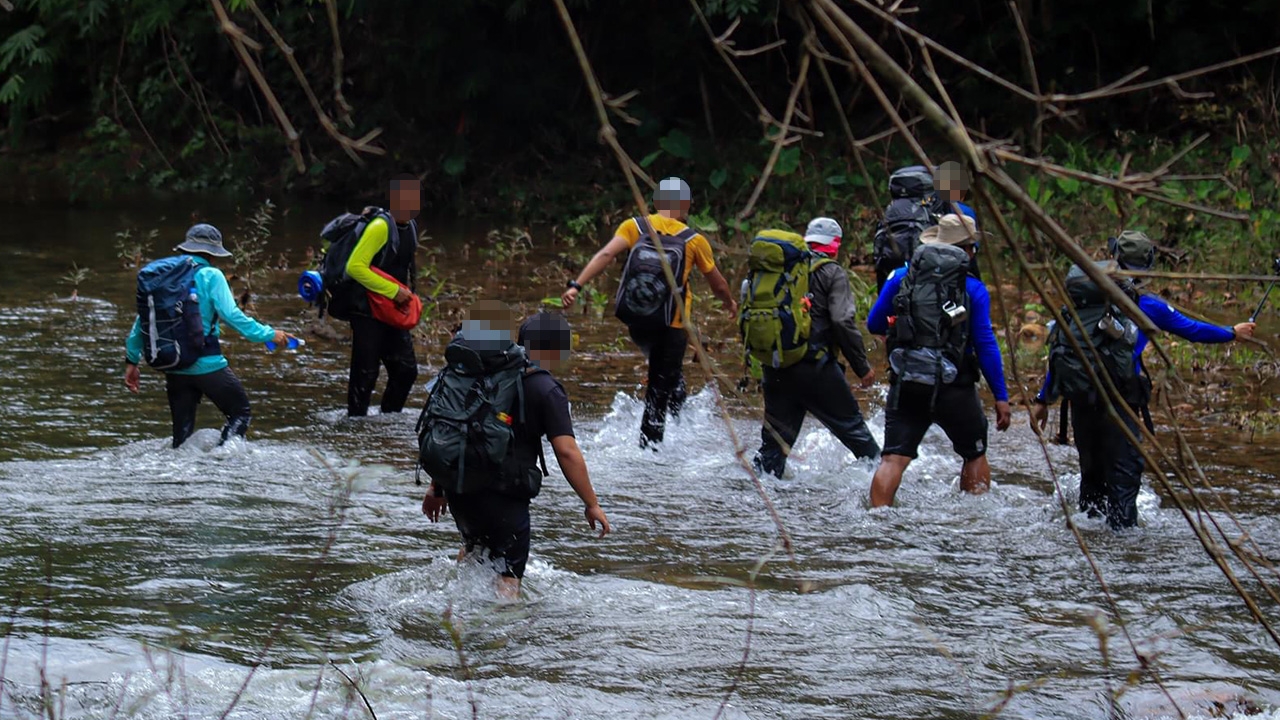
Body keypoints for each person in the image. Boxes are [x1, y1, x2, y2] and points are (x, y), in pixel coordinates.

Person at [1030, 230, 1256, 529]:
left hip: (1080, 401)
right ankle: (1124, 553)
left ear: (1114, 258)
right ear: (1147, 265)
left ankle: (1090, 537)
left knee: (1092, 478)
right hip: (1119, 402)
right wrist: (1232, 332)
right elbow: (1193, 330)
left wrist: (1043, 399)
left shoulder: (1083, 302)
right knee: (1124, 476)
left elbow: (1064, 349)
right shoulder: (1148, 306)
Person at [421, 309, 610, 598]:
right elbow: (567, 451)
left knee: (473, 554)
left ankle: (455, 623)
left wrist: (437, 488)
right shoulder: (547, 388)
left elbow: (455, 427)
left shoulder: (482, 376)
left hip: (461, 490)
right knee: (508, 577)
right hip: (505, 496)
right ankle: (500, 640)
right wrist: (591, 503)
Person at [560, 177, 738, 448]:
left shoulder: (634, 226)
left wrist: (576, 286)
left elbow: (606, 255)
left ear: (656, 203)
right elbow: (718, 283)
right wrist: (729, 303)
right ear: (686, 206)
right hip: (672, 325)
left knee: (668, 381)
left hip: (639, 320)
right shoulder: (694, 240)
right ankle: (651, 454)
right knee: (658, 391)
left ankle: (674, 423)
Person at [866, 214, 1012, 507]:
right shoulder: (973, 289)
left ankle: (877, 521)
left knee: (894, 458)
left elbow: (874, 323)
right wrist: (1001, 395)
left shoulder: (900, 277)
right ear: (968, 251)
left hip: (907, 380)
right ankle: (974, 519)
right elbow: (985, 344)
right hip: (954, 385)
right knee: (974, 453)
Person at [124, 224, 295, 448]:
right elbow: (231, 314)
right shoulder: (211, 275)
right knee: (240, 413)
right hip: (207, 365)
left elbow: (143, 320)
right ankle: (222, 464)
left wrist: (131, 361)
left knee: (181, 440)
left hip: (174, 366)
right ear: (212, 252)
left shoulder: (165, 278)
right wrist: (269, 334)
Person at [752, 217, 880, 478]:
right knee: (861, 440)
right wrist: (862, 367)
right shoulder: (832, 272)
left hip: (777, 366)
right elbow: (842, 321)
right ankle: (888, 493)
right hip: (816, 369)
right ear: (835, 245)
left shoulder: (777, 270)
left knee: (773, 452)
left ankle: (753, 502)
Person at [344, 174, 421, 417]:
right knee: (366, 373)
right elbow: (354, 267)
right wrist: (393, 290)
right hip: (366, 309)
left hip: (392, 310)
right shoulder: (379, 226)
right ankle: (355, 424)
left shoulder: (411, 227)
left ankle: (389, 417)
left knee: (406, 370)